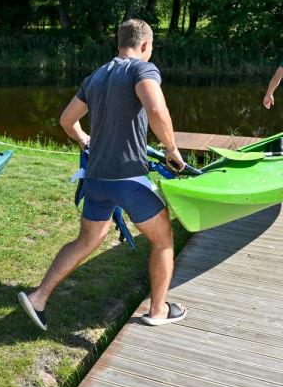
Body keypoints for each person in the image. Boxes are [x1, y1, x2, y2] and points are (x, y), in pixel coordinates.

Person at [18, 19, 187, 332]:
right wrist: (171, 149)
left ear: (118, 43)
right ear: (146, 45)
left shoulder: (96, 76)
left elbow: (67, 120)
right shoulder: (142, 69)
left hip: (96, 179)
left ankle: (39, 298)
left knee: (87, 239)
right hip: (128, 179)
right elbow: (155, 107)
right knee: (163, 240)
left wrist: (84, 139)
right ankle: (159, 309)